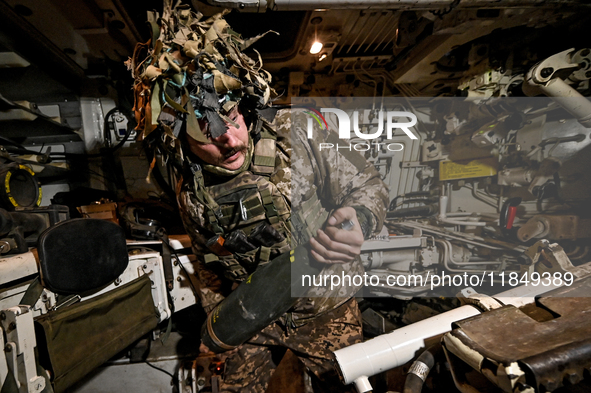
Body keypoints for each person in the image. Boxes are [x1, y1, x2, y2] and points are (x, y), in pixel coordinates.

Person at [128, 3, 388, 391]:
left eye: (232, 118)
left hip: (325, 311)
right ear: (182, 139)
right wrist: (222, 323)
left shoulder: (296, 133)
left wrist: (360, 219)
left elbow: (369, 185)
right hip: (254, 316)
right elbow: (207, 262)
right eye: (207, 132)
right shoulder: (190, 190)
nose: (229, 138)